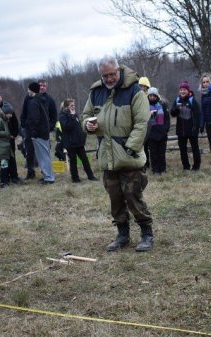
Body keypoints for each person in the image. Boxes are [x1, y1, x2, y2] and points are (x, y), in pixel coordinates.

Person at [81, 56, 154, 252]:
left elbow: (141, 122)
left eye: (112, 74)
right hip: (107, 157)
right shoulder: (96, 92)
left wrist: (131, 148)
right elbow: (86, 116)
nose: (109, 78)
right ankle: (122, 235)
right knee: (115, 198)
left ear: (119, 70)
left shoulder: (134, 90)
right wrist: (88, 125)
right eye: (105, 75)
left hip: (129, 157)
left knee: (133, 197)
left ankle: (147, 234)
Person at [0, 91, 22, 185]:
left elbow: (15, 123)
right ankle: (4, 180)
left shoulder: (8, 108)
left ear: (1, 97)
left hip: (10, 139)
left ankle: (14, 176)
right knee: (3, 161)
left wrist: (14, 134)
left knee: (11, 158)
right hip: (0, 142)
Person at [24, 82, 56, 184]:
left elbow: (35, 119)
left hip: (39, 134)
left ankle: (49, 178)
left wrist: (33, 134)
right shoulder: (41, 100)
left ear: (32, 90)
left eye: (28, 89)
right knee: (46, 155)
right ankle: (48, 175)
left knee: (43, 156)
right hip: (44, 132)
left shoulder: (34, 102)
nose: (27, 91)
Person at [59, 98, 97, 183]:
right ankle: (75, 179)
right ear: (66, 107)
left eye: (74, 105)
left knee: (85, 159)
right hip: (70, 143)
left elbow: (78, 128)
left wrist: (83, 137)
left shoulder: (75, 114)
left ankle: (91, 176)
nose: (73, 107)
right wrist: (72, 117)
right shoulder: (62, 116)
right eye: (71, 106)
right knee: (73, 161)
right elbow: (66, 127)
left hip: (79, 142)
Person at [170, 80, 202, 171]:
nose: (182, 91)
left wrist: (196, 127)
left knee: (195, 148)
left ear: (188, 91)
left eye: (184, 90)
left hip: (192, 130)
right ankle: (186, 167)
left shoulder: (192, 101)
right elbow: (172, 114)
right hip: (181, 130)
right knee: (182, 150)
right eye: (181, 90)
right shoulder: (177, 100)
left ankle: (196, 167)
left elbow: (197, 115)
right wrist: (176, 109)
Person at [145, 87, 170, 175]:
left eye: (154, 95)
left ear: (157, 96)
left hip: (161, 133)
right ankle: (155, 170)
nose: (152, 97)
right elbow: (143, 119)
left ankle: (163, 169)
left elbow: (167, 118)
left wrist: (165, 129)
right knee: (153, 153)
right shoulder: (145, 105)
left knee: (161, 153)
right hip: (151, 133)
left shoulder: (162, 105)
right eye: (150, 95)